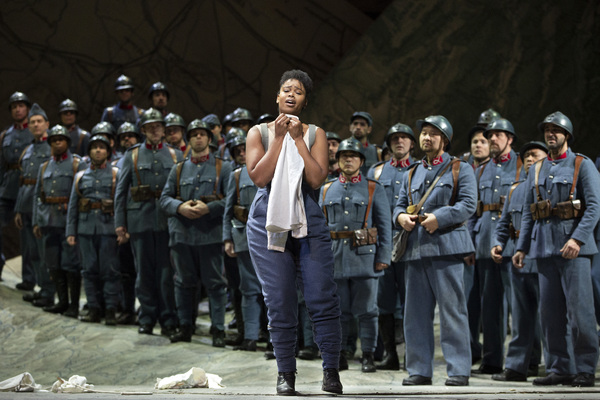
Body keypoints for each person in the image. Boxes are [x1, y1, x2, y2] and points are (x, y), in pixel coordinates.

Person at [245, 69, 343, 395]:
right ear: (277, 97)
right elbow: (259, 177)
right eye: (286, 89)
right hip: (267, 224)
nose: (291, 95)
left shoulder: (316, 134)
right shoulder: (258, 132)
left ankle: (331, 371)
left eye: (298, 92)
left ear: (304, 100)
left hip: (309, 222)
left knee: (321, 297)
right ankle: (286, 373)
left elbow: (316, 180)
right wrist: (278, 138)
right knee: (280, 300)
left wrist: (298, 139)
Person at [513, 111, 600, 387]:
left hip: (573, 250)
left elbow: (595, 208)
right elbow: (529, 212)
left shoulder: (581, 165)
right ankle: (560, 367)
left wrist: (578, 239)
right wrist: (522, 247)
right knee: (550, 316)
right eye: (547, 130)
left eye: (556, 130)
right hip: (544, 249)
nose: (551, 134)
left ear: (567, 135)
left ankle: (585, 368)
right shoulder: (536, 169)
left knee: (580, 314)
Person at [394, 115, 476, 386]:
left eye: (433, 134)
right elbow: (399, 205)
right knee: (414, 314)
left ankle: (459, 370)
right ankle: (419, 369)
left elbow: (468, 204)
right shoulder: (411, 173)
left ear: (445, 139)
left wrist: (439, 218)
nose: (427, 138)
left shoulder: (459, 169)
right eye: (424, 133)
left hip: (446, 248)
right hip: (416, 251)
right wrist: (400, 218)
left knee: (453, 312)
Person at [321, 137, 391, 373]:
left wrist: (384, 256)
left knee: (368, 311)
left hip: (365, 257)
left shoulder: (373, 188)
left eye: (352, 156)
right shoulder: (327, 188)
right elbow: (320, 228)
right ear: (337, 160)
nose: (347, 159)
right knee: (339, 311)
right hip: (334, 257)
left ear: (361, 160)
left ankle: (368, 355)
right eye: (343, 156)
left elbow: (384, 225)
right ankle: (340, 354)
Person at [160, 119, 231, 344]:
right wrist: (179, 207)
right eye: (194, 135)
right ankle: (185, 326)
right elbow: (164, 199)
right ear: (189, 140)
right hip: (182, 235)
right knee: (183, 283)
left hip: (210, 234)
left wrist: (209, 208)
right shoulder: (178, 169)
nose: (198, 138)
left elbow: (231, 199)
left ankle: (218, 329)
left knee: (216, 284)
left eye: (202, 134)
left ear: (210, 139)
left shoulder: (223, 167)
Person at [114, 108, 182, 337]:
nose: (155, 130)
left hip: (166, 222)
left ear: (164, 129)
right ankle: (146, 317)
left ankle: (168, 318)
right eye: (150, 127)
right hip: (139, 221)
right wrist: (120, 224)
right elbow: (121, 192)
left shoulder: (174, 155)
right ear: (143, 130)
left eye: (158, 126)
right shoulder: (132, 155)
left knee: (166, 274)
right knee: (143, 273)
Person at [490, 141, 548, 381]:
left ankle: (557, 366)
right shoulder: (515, 189)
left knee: (550, 317)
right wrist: (498, 243)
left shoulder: (548, 186)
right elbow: (504, 223)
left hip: (543, 258)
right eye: (526, 157)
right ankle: (517, 367)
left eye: (535, 155)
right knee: (521, 318)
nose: (529, 160)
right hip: (517, 259)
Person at [470, 118, 522, 375]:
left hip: (514, 241)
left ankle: (528, 361)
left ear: (510, 139)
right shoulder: (479, 170)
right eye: (490, 135)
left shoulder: (523, 165)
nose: (492, 139)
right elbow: (473, 211)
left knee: (521, 306)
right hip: (484, 243)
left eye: (498, 135)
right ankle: (491, 360)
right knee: (489, 306)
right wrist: (470, 243)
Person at [368, 122, 416, 371]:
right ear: (388, 144)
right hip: (383, 243)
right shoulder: (376, 172)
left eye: (404, 138)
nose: (400, 142)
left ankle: (413, 355)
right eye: (395, 138)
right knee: (384, 301)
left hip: (410, 242)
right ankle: (390, 355)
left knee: (412, 301)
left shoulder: (419, 170)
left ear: (411, 143)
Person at [33, 125, 87, 318]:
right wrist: (35, 221)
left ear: (67, 142)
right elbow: (37, 195)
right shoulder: (44, 167)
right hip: (48, 220)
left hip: (67, 221)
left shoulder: (77, 164)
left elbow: (82, 193)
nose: (57, 142)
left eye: (61, 139)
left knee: (70, 264)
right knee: (53, 263)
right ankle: (61, 301)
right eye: (54, 140)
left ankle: (73, 304)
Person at [66, 135, 120, 325]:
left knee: (110, 271)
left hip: (108, 228)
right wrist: (70, 232)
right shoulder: (81, 176)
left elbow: (121, 204)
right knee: (88, 271)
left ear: (108, 151)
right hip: (86, 228)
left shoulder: (116, 174)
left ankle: (111, 309)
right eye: (94, 147)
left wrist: (122, 229)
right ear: (89, 152)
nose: (98, 150)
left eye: (102, 147)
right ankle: (94, 308)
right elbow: (73, 206)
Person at [222, 134, 266, 351]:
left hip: (272, 239)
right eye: (237, 150)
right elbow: (228, 210)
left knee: (273, 290)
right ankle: (250, 337)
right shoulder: (237, 176)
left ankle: (273, 338)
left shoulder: (273, 169)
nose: (242, 153)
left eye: (245, 148)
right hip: (245, 238)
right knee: (248, 289)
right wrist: (227, 238)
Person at [16, 104, 53, 307]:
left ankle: (49, 290)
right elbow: (23, 181)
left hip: (43, 207)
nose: (36, 124)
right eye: (32, 122)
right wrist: (18, 210)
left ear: (47, 124)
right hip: (27, 206)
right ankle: (41, 288)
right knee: (31, 251)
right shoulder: (28, 150)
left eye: (39, 121)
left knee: (43, 251)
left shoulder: (52, 148)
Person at [1, 92, 33, 286]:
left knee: (27, 235)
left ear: (27, 109)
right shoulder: (5, 135)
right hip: (7, 187)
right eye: (14, 107)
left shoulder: (36, 131)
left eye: (21, 106)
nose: (17, 109)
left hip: (27, 187)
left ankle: (29, 278)